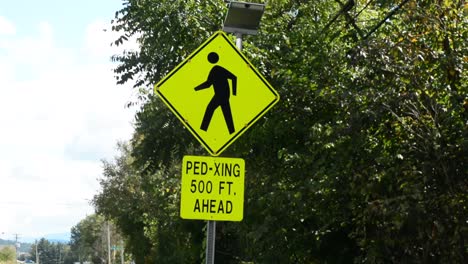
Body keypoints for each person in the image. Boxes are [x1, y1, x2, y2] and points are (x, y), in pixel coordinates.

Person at [194, 52, 237, 134]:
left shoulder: (216, 69)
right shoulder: (215, 69)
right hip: (222, 95)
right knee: (227, 114)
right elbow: (208, 84)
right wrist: (196, 89)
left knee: (210, 109)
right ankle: (232, 132)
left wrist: (234, 93)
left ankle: (203, 130)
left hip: (221, 95)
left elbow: (234, 77)